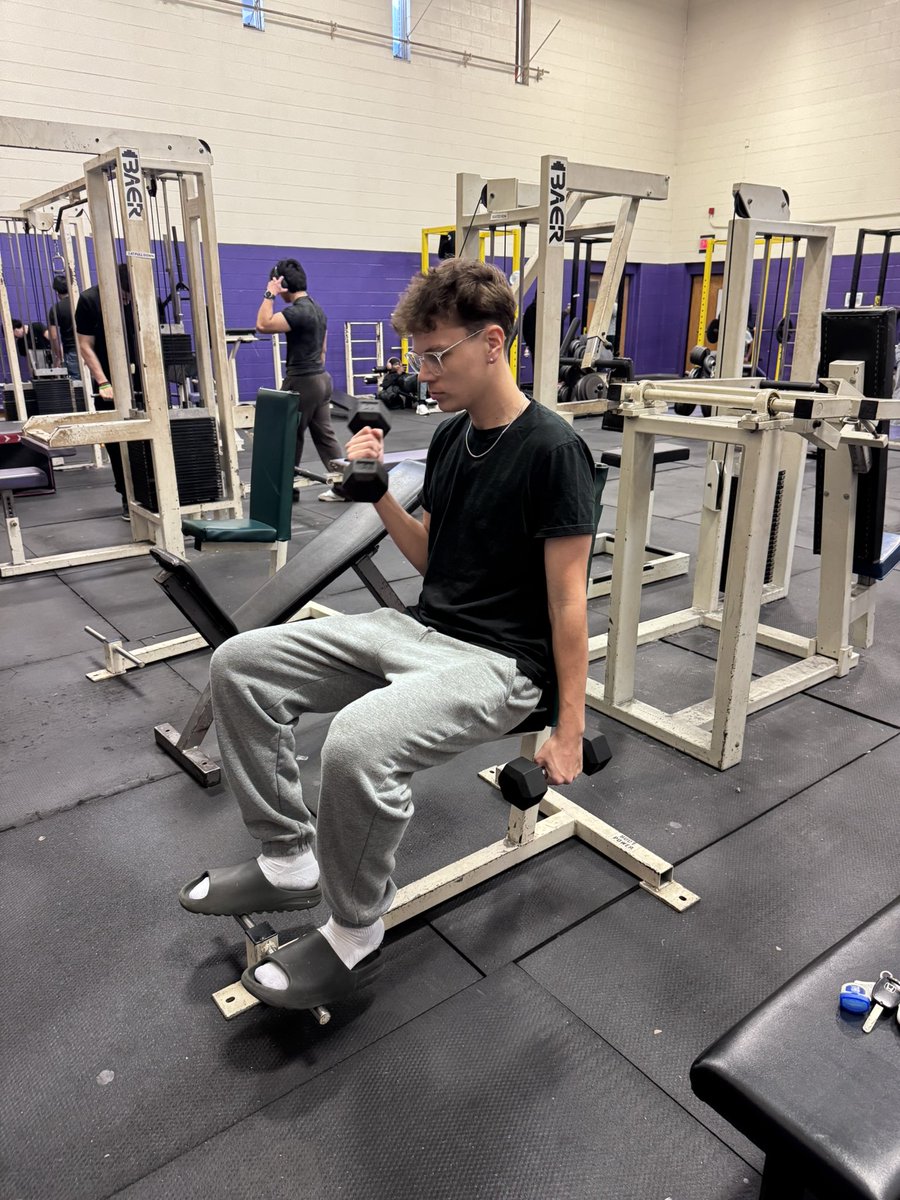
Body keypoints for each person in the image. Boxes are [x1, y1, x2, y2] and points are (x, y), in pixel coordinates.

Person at [179, 258, 597, 1013]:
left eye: (437, 356)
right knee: (239, 663)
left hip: (504, 663)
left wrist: (570, 729)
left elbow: (570, 605)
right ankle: (286, 859)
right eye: (419, 358)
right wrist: (376, 495)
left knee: (358, 741)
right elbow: (432, 557)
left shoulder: (553, 450)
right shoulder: (449, 440)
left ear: (493, 341)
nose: (423, 374)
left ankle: (354, 930)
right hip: (422, 630)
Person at [255, 258, 348, 503]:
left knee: (287, 435)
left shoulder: (298, 311)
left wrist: (269, 293)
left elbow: (263, 324)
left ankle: (286, 491)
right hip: (321, 377)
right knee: (325, 436)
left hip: (303, 380)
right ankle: (343, 487)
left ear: (283, 284)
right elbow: (323, 349)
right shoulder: (317, 308)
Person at [75, 262, 143, 521]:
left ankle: (154, 492)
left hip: (144, 379)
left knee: (150, 437)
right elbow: (85, 345)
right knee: (118, 442)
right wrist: (103, 381)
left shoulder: (143, 297)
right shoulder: (90, 300)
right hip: (109, 382)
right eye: (124, 295)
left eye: (130, 295)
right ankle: (127, 495)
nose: (127, 300)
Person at [47, 275, 80, 380]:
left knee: (77, 384)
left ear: (57, 292)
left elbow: (54, 336)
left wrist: (58, 355)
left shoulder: (56, 309)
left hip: (71, 350)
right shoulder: (81, 302)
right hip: (90, 347)